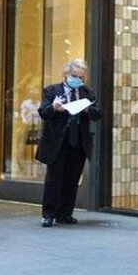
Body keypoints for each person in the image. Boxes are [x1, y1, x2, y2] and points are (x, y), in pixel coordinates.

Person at [36, 59, 101, 227]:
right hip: (58, 141)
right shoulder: (51, 91)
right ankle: (48, 214)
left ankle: (65, 214)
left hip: (78, 141)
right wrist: (54, 108)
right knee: (54, 179)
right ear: (66, 74)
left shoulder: (88, 92)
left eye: (81, 77)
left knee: (72, 179)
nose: (77, 80)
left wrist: (87, 109)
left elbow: (97, 114)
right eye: (74, 76)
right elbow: (43, 112)